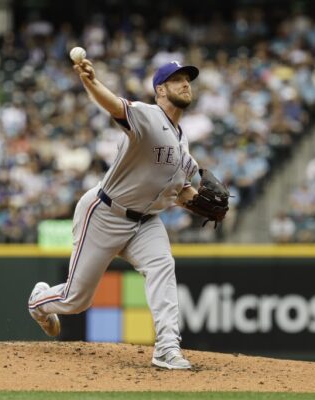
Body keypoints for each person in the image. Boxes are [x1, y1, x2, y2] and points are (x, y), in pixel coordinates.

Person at [28, 59, 201, 370]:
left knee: (163, 266)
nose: (185, 84)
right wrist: (91, 82)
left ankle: (167, 348)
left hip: (145, 222)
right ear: (160, 89)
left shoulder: (182, 140)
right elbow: (115, 106)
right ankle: (38, 302)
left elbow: (183, 189)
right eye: (177, 80)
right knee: (76, 299)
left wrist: (200, 202)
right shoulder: (149, 116)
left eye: (187, 79)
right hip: (105, 213)